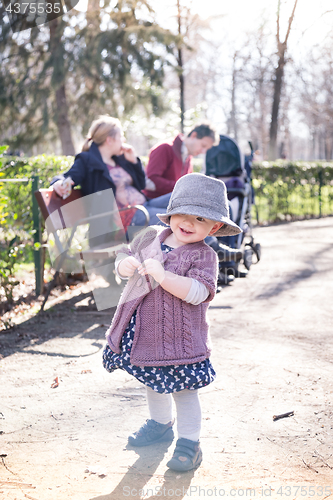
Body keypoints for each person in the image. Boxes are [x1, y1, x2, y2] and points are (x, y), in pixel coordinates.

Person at [102, 173, 242, 472]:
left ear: (215, 227)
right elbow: (125, 254)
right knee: (153, 381)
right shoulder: (151, 236)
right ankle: (160, 424)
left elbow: (199, 292)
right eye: (183, 214)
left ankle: (189, 443)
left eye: (200, 220)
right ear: (171, 213)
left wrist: (165, 277)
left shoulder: (203, 256)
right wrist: (123, 265)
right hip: (144, 333)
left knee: (183, 391)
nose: (189, 223)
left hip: (181, 341)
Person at [51, 115, 171, 230]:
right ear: (109, 140)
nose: (123, 140)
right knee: (176, 221)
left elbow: (141, 185)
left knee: (181, 197)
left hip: (144, 206)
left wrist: (134, 161)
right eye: (121, 136)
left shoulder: (119, 160)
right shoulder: (87, 160)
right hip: (125, 222)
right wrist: (58, 182)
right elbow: (67, 176)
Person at [142, 123, 218, 200]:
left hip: (174, 198)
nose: (203, 151)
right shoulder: (165, 148)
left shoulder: (188, 157)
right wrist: (182, 188)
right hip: (155, 199)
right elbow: (151, 179)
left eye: (206, 149)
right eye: (203, 145)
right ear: (193, 135)